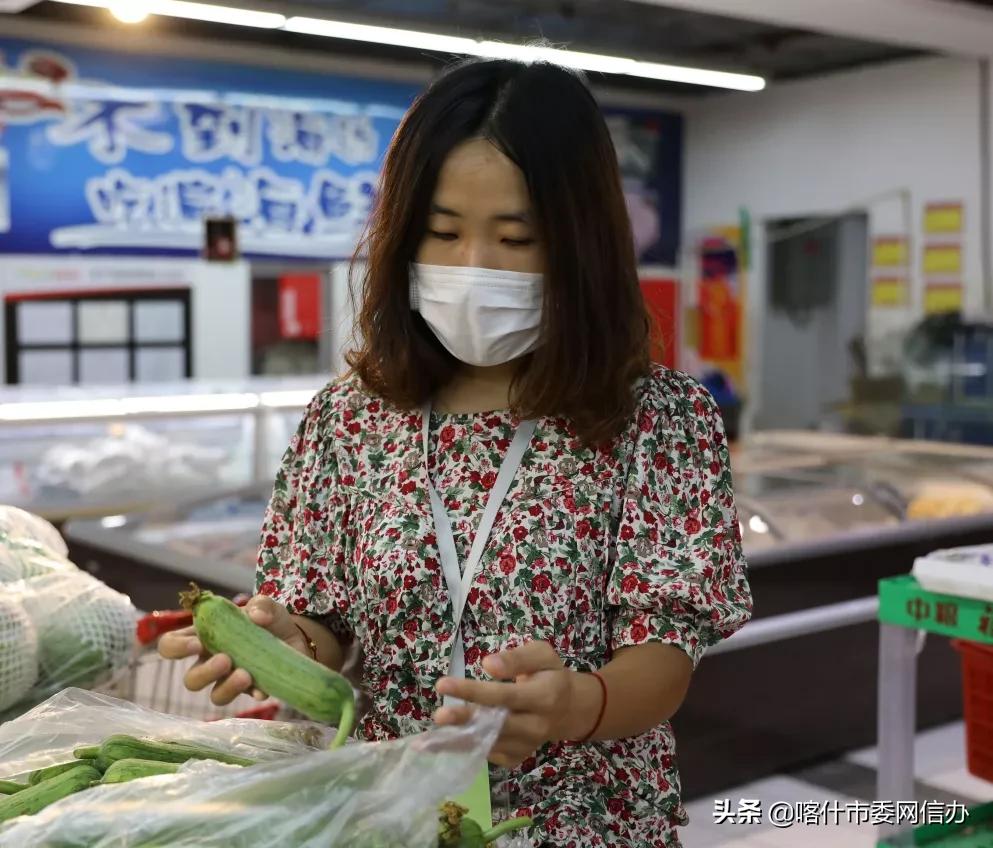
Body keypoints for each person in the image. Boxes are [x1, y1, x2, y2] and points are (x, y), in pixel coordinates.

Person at [159, 58, 753, 847]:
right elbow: (323, 623)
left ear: (581, 246)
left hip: (586, 822)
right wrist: (280, 644)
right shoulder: (347, 420)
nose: (473, 268)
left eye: (518, 238)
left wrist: (580, 703)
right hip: (388, 816)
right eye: (442, 233)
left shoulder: (659, 421)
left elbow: (665, 652)